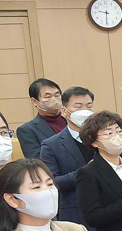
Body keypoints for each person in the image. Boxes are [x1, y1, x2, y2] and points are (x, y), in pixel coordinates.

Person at [39, 86, 97, 222]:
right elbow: (53, 182)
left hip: (111, 211)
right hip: (76, 214)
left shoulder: (106, 137)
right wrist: (86, 171)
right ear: (64, 111)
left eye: (89, 106)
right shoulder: (51, 145)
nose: (85, 111)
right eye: (78, 106)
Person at [15, 78, 65, 161]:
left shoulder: (71, 122)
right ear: (34, 101)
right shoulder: (26, 130)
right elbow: (37, 160)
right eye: (48, 97)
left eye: (57, 95)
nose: (54, 100)